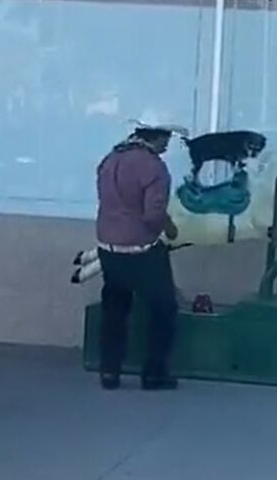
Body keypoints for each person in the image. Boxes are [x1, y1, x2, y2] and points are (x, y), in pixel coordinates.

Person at [96, 124, 179, 390]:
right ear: (156, 137)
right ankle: (154, 373)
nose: (168, 143)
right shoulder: (154, 168)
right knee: (163, 309)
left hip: (108, 246)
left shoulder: (110, 159)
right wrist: (168, 229)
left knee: (115, 309)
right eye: (167, 137)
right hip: (141, 249)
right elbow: (153, 214)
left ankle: (109, 371)